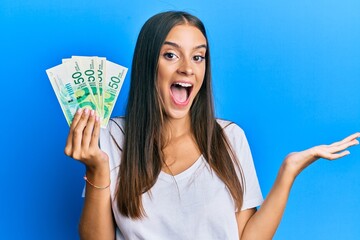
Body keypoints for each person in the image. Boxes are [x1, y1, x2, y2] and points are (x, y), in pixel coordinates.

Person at [64, 11, 360, 240]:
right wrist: (96, 169)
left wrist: (288, 171)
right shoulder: (112, 137)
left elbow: (249, 237)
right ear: (147, 64)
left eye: (198, 57)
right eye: (170, 55)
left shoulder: (230, 139)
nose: (187, 68)